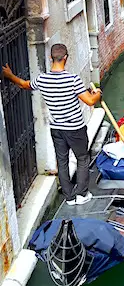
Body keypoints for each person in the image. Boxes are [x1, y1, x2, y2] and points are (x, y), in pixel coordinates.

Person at [2, 44, 101, 206]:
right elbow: (90, 101)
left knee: (62, 161)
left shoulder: (42, 79)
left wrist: (10, 75)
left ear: (51, 58)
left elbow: (24, 84)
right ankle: (82, 194)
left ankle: (69, 198)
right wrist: (97, 94)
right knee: (82, 159)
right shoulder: (73, 79)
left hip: (57, 128)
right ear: (66, 58)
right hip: (75, 128)